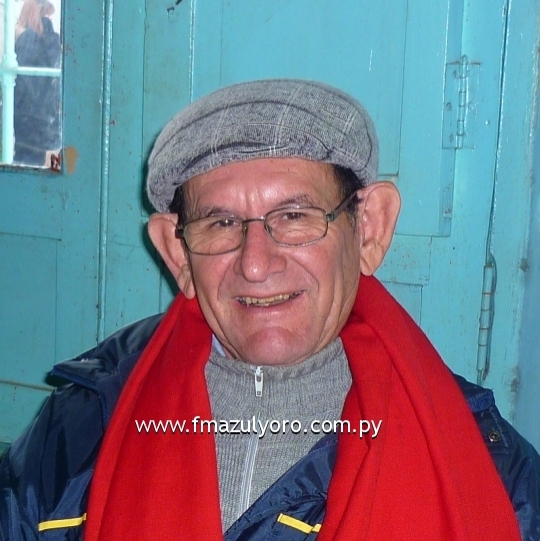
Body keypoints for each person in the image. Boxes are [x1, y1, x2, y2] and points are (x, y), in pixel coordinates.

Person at [1, 79, 539, 540]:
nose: (256, 264)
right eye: (220, 223)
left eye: (295, 216)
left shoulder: (485, 470)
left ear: (369, 229)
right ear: (177, 253)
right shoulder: (82, 425)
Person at [13, 0, 61, 166]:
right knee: (49, 168)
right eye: (46, 16)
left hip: (29, 123)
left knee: (26, 166)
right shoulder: (38, 41)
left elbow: (22, 86)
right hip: (44, 123)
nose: (49, 20)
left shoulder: (27, 39)